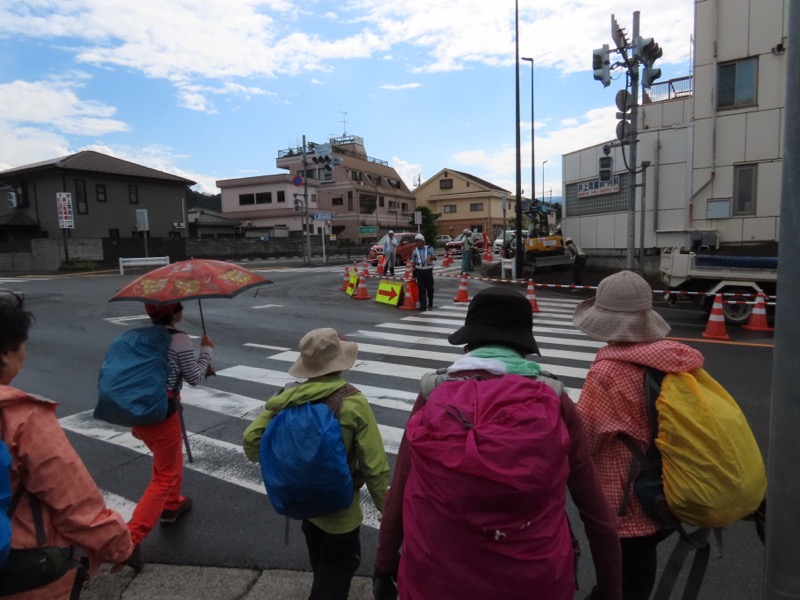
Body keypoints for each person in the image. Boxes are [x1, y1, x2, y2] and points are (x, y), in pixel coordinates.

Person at [373, 286, 622, 600]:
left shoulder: (433, 393)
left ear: (469, 343)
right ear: (524, 348)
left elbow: (399, 497)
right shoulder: (554, 400)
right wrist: (610, 588)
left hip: (434, 583)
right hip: (535, 584)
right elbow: (598, 515)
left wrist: (383, 567)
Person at [573, 271, 704, 600]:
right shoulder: (674, 360)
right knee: (637, 577)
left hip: (625, 501)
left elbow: (583, 440)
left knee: (620, 587)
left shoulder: (609, 371)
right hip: (665, 488)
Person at [0, 293, 136, 598]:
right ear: (6, 354)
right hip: (25, 568)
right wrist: (119, 546)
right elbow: (75, 504)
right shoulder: (21, 419)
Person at [243, 328, 390, 600]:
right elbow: (374, 465)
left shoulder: (287, 398)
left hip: (305, 506)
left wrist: (283, 463)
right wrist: (386, 508)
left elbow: (252, 439)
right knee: (340, 566)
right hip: (341, 510)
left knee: (321, 561)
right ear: (340, 364)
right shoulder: (353, 403)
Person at [125, 302, 213, 558]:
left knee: (167, 462)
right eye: (180, 307)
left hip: (137, 410)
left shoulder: (139, 337)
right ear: (174, 313)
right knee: (163, 476)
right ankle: (131, 538)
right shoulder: (178, 339)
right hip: (162, 414)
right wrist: (206, 351)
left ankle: (173, 504)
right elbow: (194, 377)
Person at [412, 234, 435, 312]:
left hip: (428, 271)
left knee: (430, 289)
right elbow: (414, 262)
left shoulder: (429, 248)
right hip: (419, 272)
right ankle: (423, 306)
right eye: (416, 241)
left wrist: (429, 257)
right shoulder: (415, 251)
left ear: (423, 241)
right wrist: (414, 273)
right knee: (421, 289)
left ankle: (430, 303)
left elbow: (435, 257)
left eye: (418, 241)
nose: (417, 243)